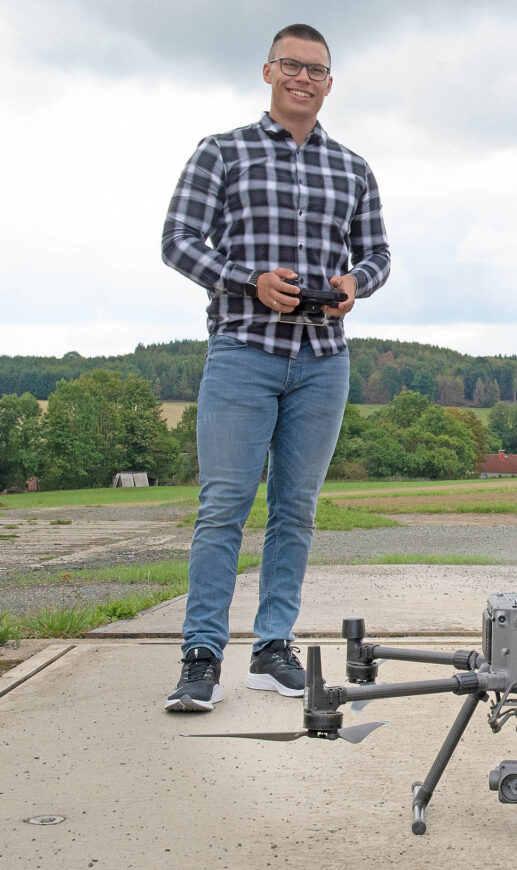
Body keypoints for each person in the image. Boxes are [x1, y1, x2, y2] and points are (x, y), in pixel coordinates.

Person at [161, 23, 390, 712]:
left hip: (323, 360)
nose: (304, 78)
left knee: (295, 509)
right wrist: (247, 280)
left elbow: (378, 253)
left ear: (329, 82)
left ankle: (271, 649)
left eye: (317, 69)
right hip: (243, 351)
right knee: (224, 506)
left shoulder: (352, 168)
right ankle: (201, 656)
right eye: (292, 65)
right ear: (268, 72)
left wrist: (356, 285)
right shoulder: (221, 152)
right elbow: (176, 240)